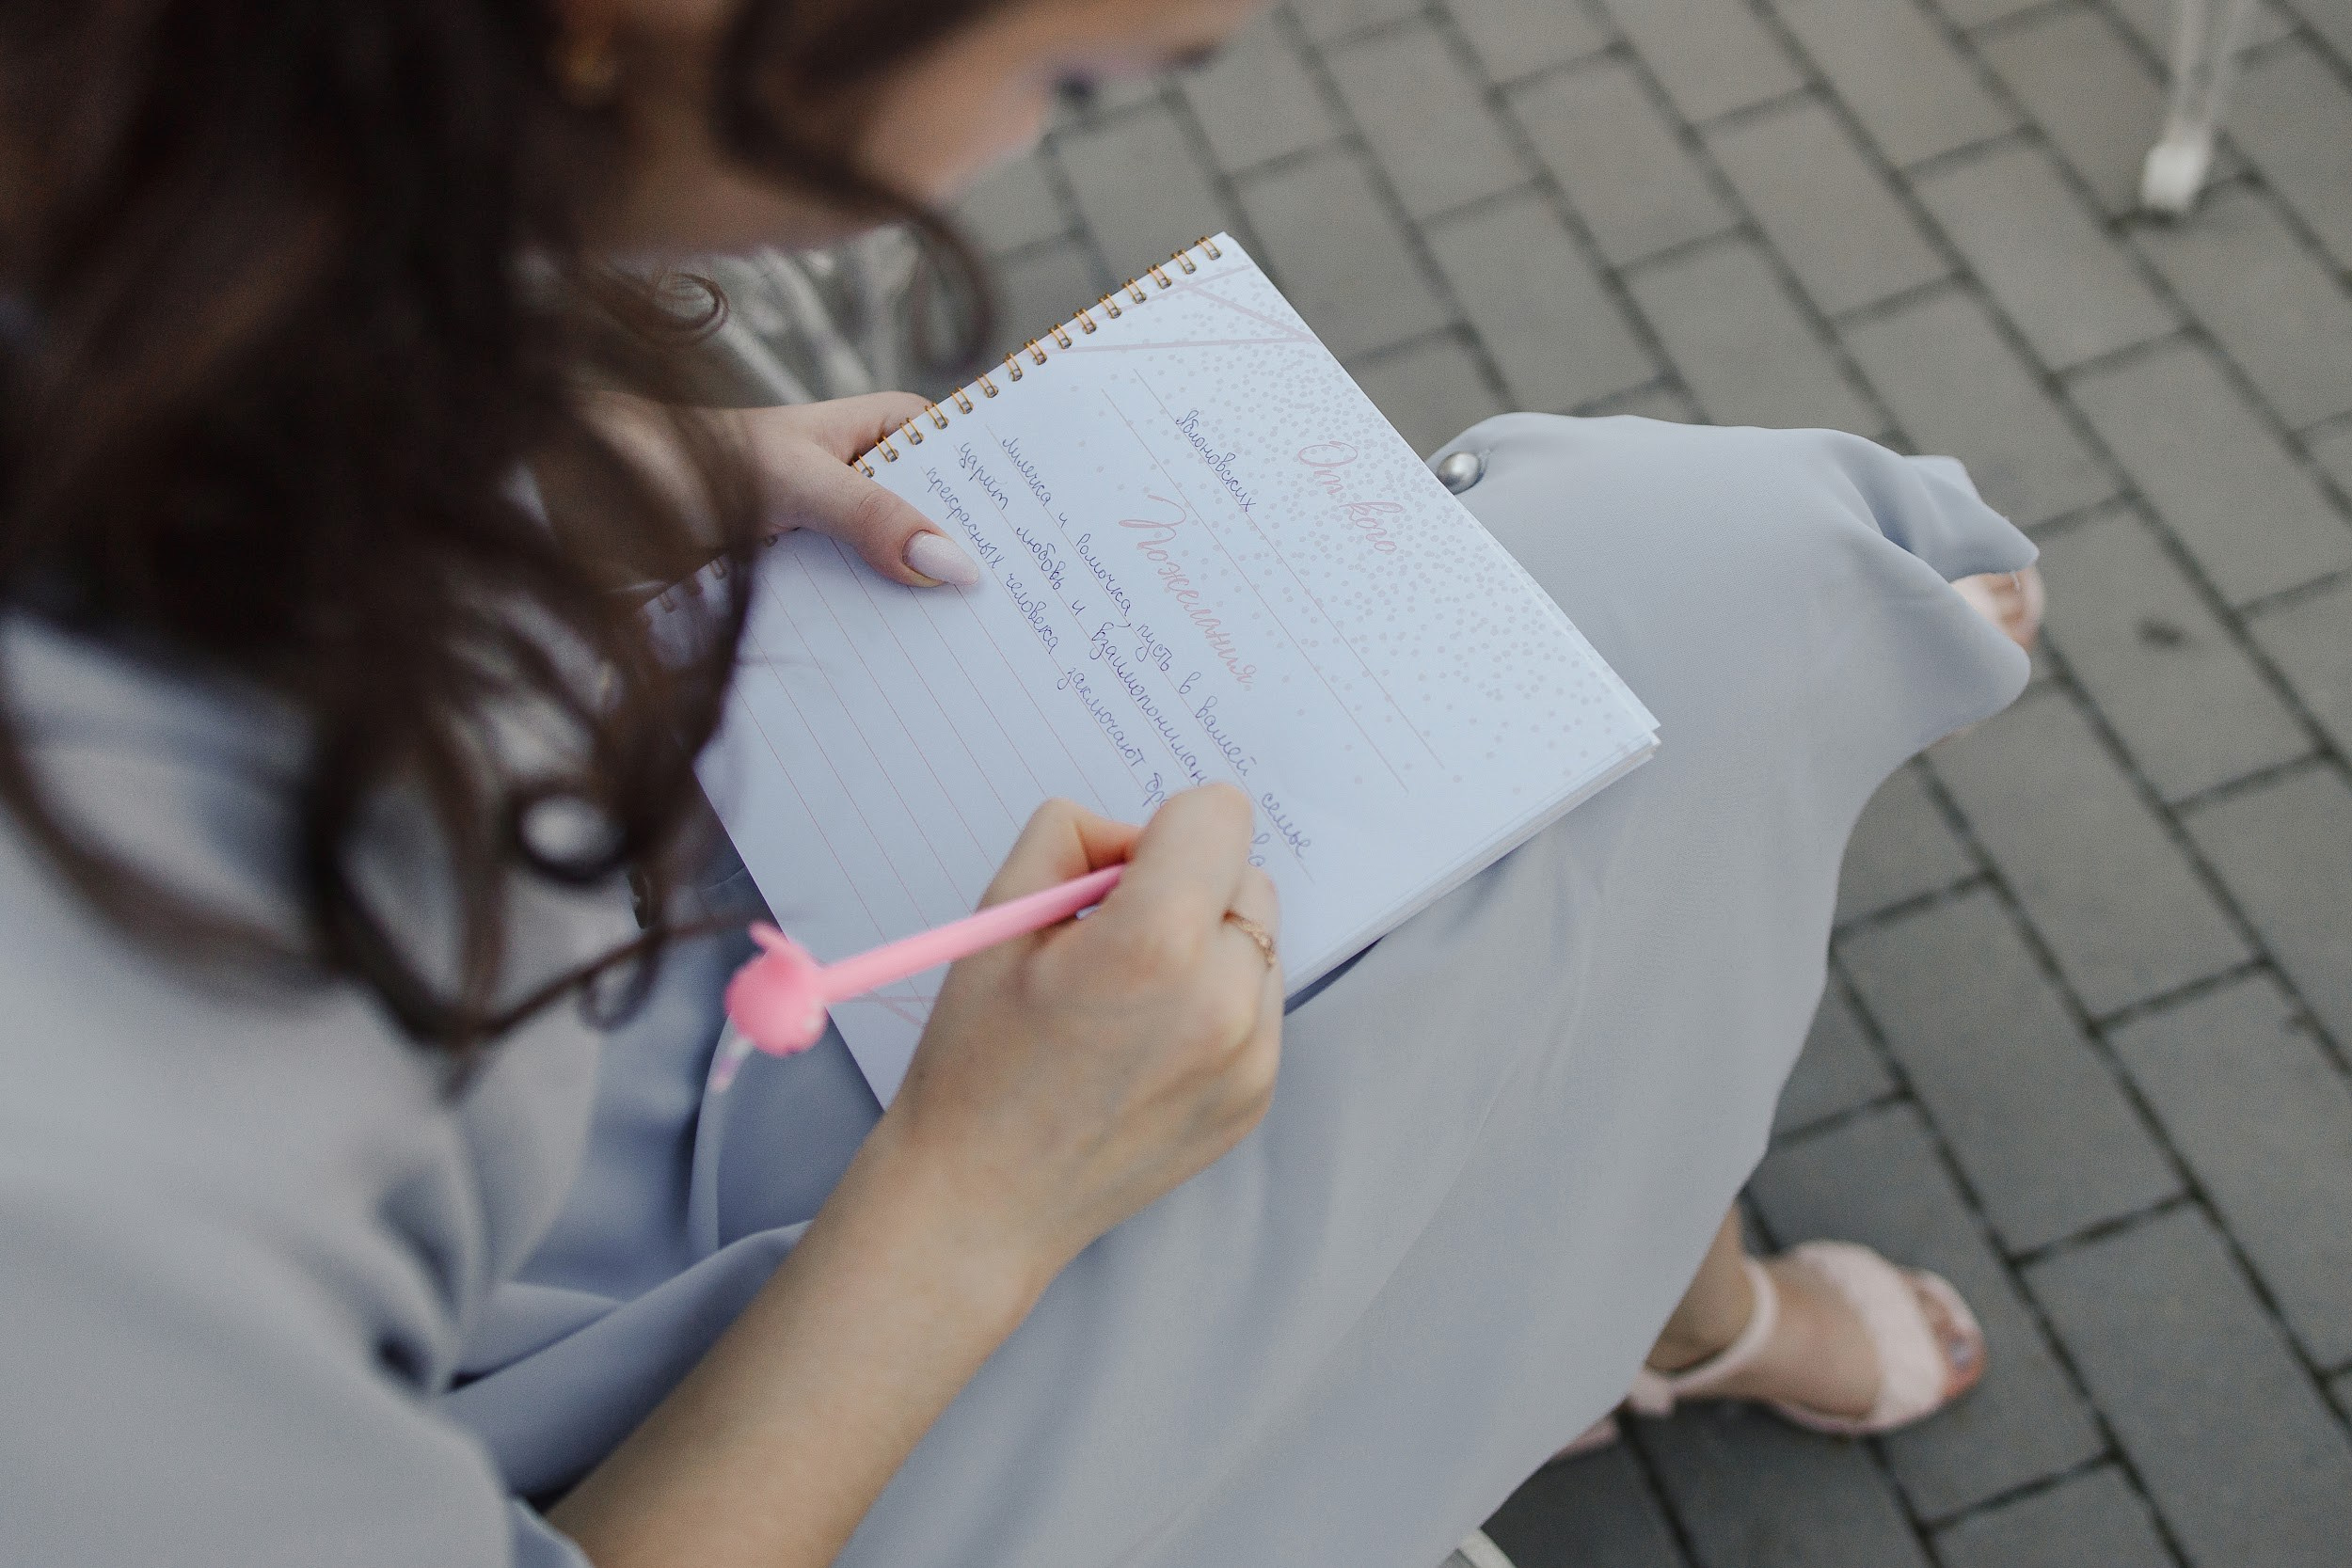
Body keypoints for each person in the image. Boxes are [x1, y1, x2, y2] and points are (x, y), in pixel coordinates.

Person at [0, 2, 2040, 1564]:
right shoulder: (92, 1161)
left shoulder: (131, 148)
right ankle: (1644, 1318)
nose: (995, 167)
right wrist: (980, 1194)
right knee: (1715, 654)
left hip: (648, 958)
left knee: (1654, 657)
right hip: (651, 1401)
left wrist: (606, 478)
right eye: (1066, 78)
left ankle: (1637, 1306)